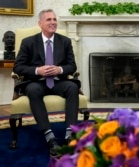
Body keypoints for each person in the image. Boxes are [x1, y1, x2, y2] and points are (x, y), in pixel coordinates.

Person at [13, 9, 80, 157]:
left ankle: (70, 134)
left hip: (58, 82)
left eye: (54, 19)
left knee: (73, 86)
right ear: (40, 23)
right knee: (33, 90)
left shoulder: (65, 41)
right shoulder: (29, 42)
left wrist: (59, 69)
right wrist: (38, 70)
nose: (53, 22)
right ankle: (49, 137)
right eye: (49, 20)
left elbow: (72, 66)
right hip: (37, 82)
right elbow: (18, 67)